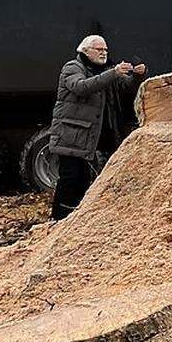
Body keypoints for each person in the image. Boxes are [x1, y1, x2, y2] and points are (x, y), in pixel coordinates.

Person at [49, 35, 146, 220]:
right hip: (73, 138)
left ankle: (76, 221)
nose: (104, 53)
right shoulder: (72, 68)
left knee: (85, 182)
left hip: (92, 138)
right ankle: (58, 220)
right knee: (70, 181)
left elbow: (126, 87)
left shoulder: (107, 70)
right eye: (99, 50)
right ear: (85, 51)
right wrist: (114, 73)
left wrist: (138, 75)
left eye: (106, 50)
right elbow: (82, 87)